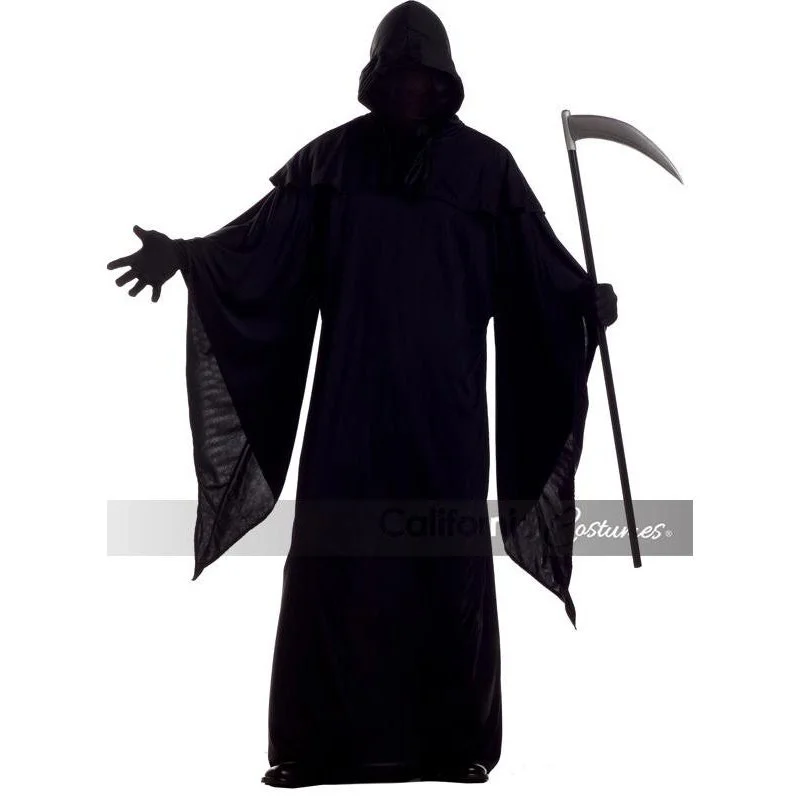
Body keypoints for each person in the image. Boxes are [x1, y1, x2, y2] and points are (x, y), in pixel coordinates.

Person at [107, 0, 617, 788]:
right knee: (335, 566)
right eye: (399, 73)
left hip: (446, 415)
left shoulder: (489, 172)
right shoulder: (331, 164)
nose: (412, 88)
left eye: (424, 75)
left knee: (443, 564)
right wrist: (186, 256)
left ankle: (455, 744)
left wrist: (582, 303)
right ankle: (314, 748)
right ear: (377, 77)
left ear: (444, 81)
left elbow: (537, 276)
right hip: (350, 408)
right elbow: (259, 245)